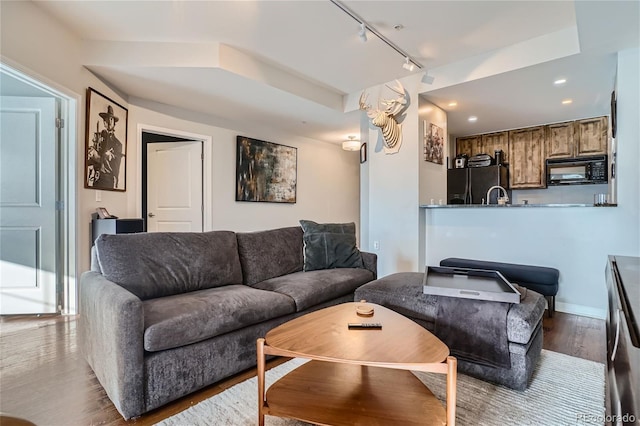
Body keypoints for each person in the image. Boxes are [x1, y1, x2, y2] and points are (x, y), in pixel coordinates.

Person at [94, 105, 123, 189]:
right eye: (105, 119)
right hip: (96, 177)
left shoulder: (118, 144)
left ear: (114, 122)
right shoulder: (99, 138)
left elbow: (116, 166)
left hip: (108, 179)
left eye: (111, 119)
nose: (108, 122)